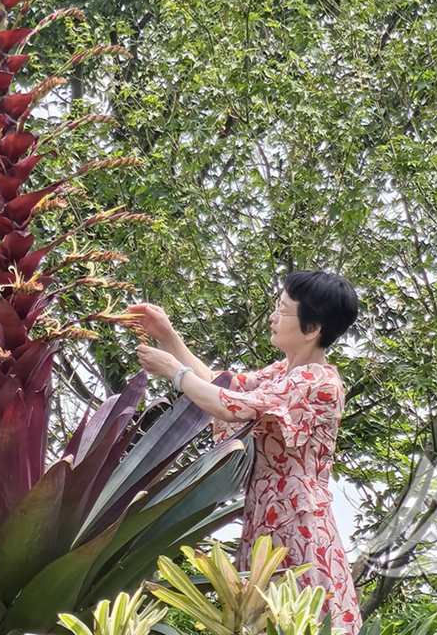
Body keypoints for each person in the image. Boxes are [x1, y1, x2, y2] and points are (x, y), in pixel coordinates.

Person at [127, 269, 361, 635]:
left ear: (312, 328)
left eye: (282, 310)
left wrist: (174, 372)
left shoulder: (320, 383)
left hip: (298, 523)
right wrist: (168, 336)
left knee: (301, 620)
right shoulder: (285, 372)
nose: (273, 316)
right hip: (268, 515)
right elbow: (222, 387)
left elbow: (230, 406)